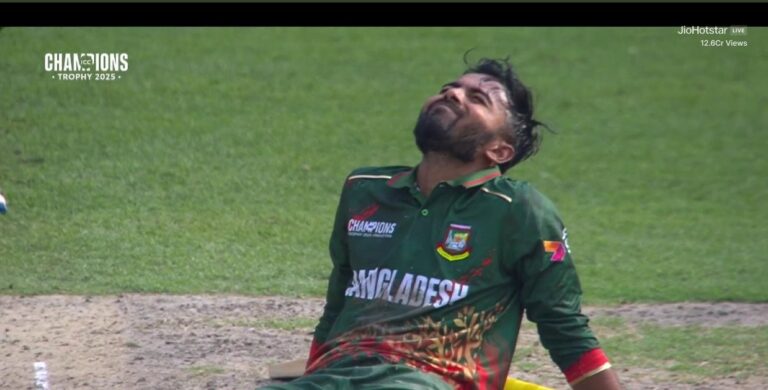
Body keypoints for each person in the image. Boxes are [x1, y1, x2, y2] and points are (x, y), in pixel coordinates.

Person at [261, 57, 621, 389]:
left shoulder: (518, 210)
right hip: (336, 376)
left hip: (427, 380)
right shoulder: (364, 190)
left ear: (499, 151)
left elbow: (564, 325)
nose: (453, 93)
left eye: (478, 98)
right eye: (451, 86)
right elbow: (339, 302)